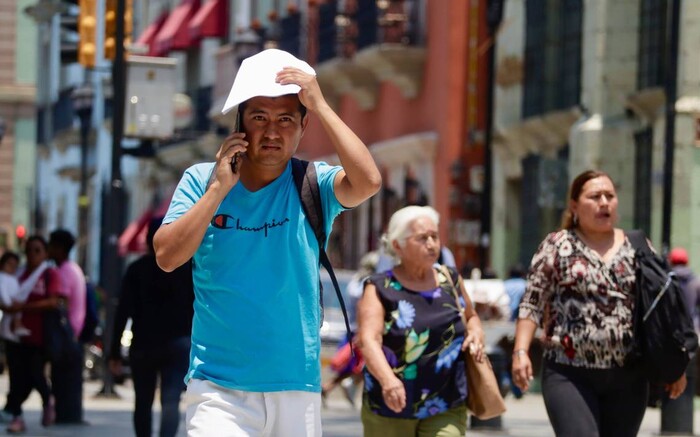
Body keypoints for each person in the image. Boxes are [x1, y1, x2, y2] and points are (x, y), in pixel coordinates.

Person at [153, 48, 381, 436]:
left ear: (303, 126)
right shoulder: (201, 179)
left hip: (295, 385)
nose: (272, 131)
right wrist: (218, 191)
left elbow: (368, 182)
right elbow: (167, 256)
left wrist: (321, 105)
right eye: (259, 117)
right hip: (218, 387)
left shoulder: (312, 183)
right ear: (239, 123)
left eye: (286, 119)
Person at [511, 170, 687, 437]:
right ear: (574, 206)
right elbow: (532, 302)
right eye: (595, 196)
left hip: (628, 376)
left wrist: (675, 364)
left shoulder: (638, 246)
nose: (604, 202)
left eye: (610, 196)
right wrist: (521, 352)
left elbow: (661, 310)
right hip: (569, 373)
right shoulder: (557, 245)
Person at [357, 205, 484, 437]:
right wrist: (388, 381)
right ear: (397, 245)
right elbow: (368, 340)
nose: (431, 244)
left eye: (435, 236)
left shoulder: (450, 280)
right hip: (391, 402)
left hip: (446, 400)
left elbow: (471, 316)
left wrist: (475, 332)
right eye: (422, 238)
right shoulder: (378, 287)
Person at [109, 217, 194, 437]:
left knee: (143, 401)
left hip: (143, 344)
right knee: (171, 400)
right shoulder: (187, 268)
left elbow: (122, 312)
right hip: (178, 343)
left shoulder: (136, 270)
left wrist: (115, 352)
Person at [0, 236, 62, 433]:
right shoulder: (18, 275)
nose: (32, 255)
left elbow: (53, 302)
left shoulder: (49, 274)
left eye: (37, 250)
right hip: (15, 336)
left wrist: (25, 307)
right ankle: (16, 416)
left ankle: (47, 400)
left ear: (45, 253)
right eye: (28, 251)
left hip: (38, 336)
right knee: (17, 378)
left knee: (35, 373)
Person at [321, 251, 378, 406]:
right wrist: (363, 331)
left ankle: (336, 387)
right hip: (361, 329)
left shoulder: (355, 281)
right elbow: (362, 307)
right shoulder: (368, 282)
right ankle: (347, 386)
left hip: (353, 328)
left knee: (356, 364)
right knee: (361, 364)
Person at [47, 229, 86, 424]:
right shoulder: (74, 269)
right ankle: (68, 415)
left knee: (62, 382)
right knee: (69, 383)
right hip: (74, 334)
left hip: (66, 335)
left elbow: (58, 303)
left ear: (59, 248)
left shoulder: (62, 272)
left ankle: (63, 416)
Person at [0, 251, 31, 341]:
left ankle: (16, 327)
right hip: (7, 303)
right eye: (9, 264)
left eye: (14, 265)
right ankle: (5, 331)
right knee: (7, 317)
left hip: (15, 302)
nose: (11, 267)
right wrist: (8, 303)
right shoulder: (2, 277)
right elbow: (2, 291)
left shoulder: (13, 277)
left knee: (17, 315)